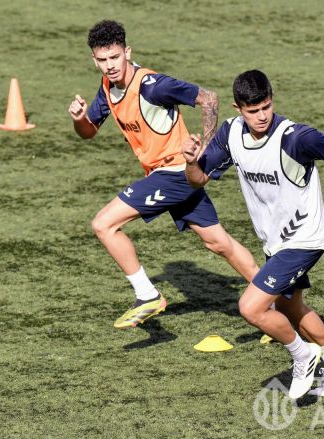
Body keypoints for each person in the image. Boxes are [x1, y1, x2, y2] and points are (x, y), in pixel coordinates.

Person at [67, 20, 257, 329]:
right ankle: (276, 303)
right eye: (102, 60)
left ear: (127, 52)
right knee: (219, 243)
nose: (110, 66)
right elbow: (88, 132)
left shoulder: (152, 85)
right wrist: (78, 119)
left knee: (103, 225)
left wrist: (204, 155)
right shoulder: (107, 87)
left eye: (115, 57)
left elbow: (208, 98)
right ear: (94, 60)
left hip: (173, 174)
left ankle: (147, 295)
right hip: (171, 176)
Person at [182, 70, 324, 399]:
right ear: (238, 109)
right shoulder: (231, 134)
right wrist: (191, 161)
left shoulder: (295, 137)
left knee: (250, 307)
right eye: (253, 110)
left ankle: (303, 355)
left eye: (266, 107)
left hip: (304, 238)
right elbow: (198, 179)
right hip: (275, 241)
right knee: (290, 307)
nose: (262, 116)